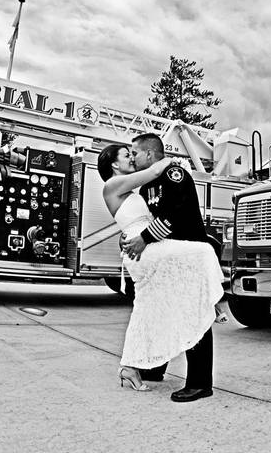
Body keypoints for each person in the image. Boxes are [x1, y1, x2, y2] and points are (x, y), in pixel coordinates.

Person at [98, 142, 223, 401]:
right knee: (160, 310)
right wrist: (130, 237)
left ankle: (195, 380)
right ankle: (152, 366)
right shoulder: (141, 183)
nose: (132, 157)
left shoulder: (170, 175)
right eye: (126, 154)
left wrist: (141, 237)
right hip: (156, 255)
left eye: (134, 153)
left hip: (175, 250)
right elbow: (139, 218)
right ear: (113, 164)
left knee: (177, 312)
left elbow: (174, 213)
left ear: (149, 153)